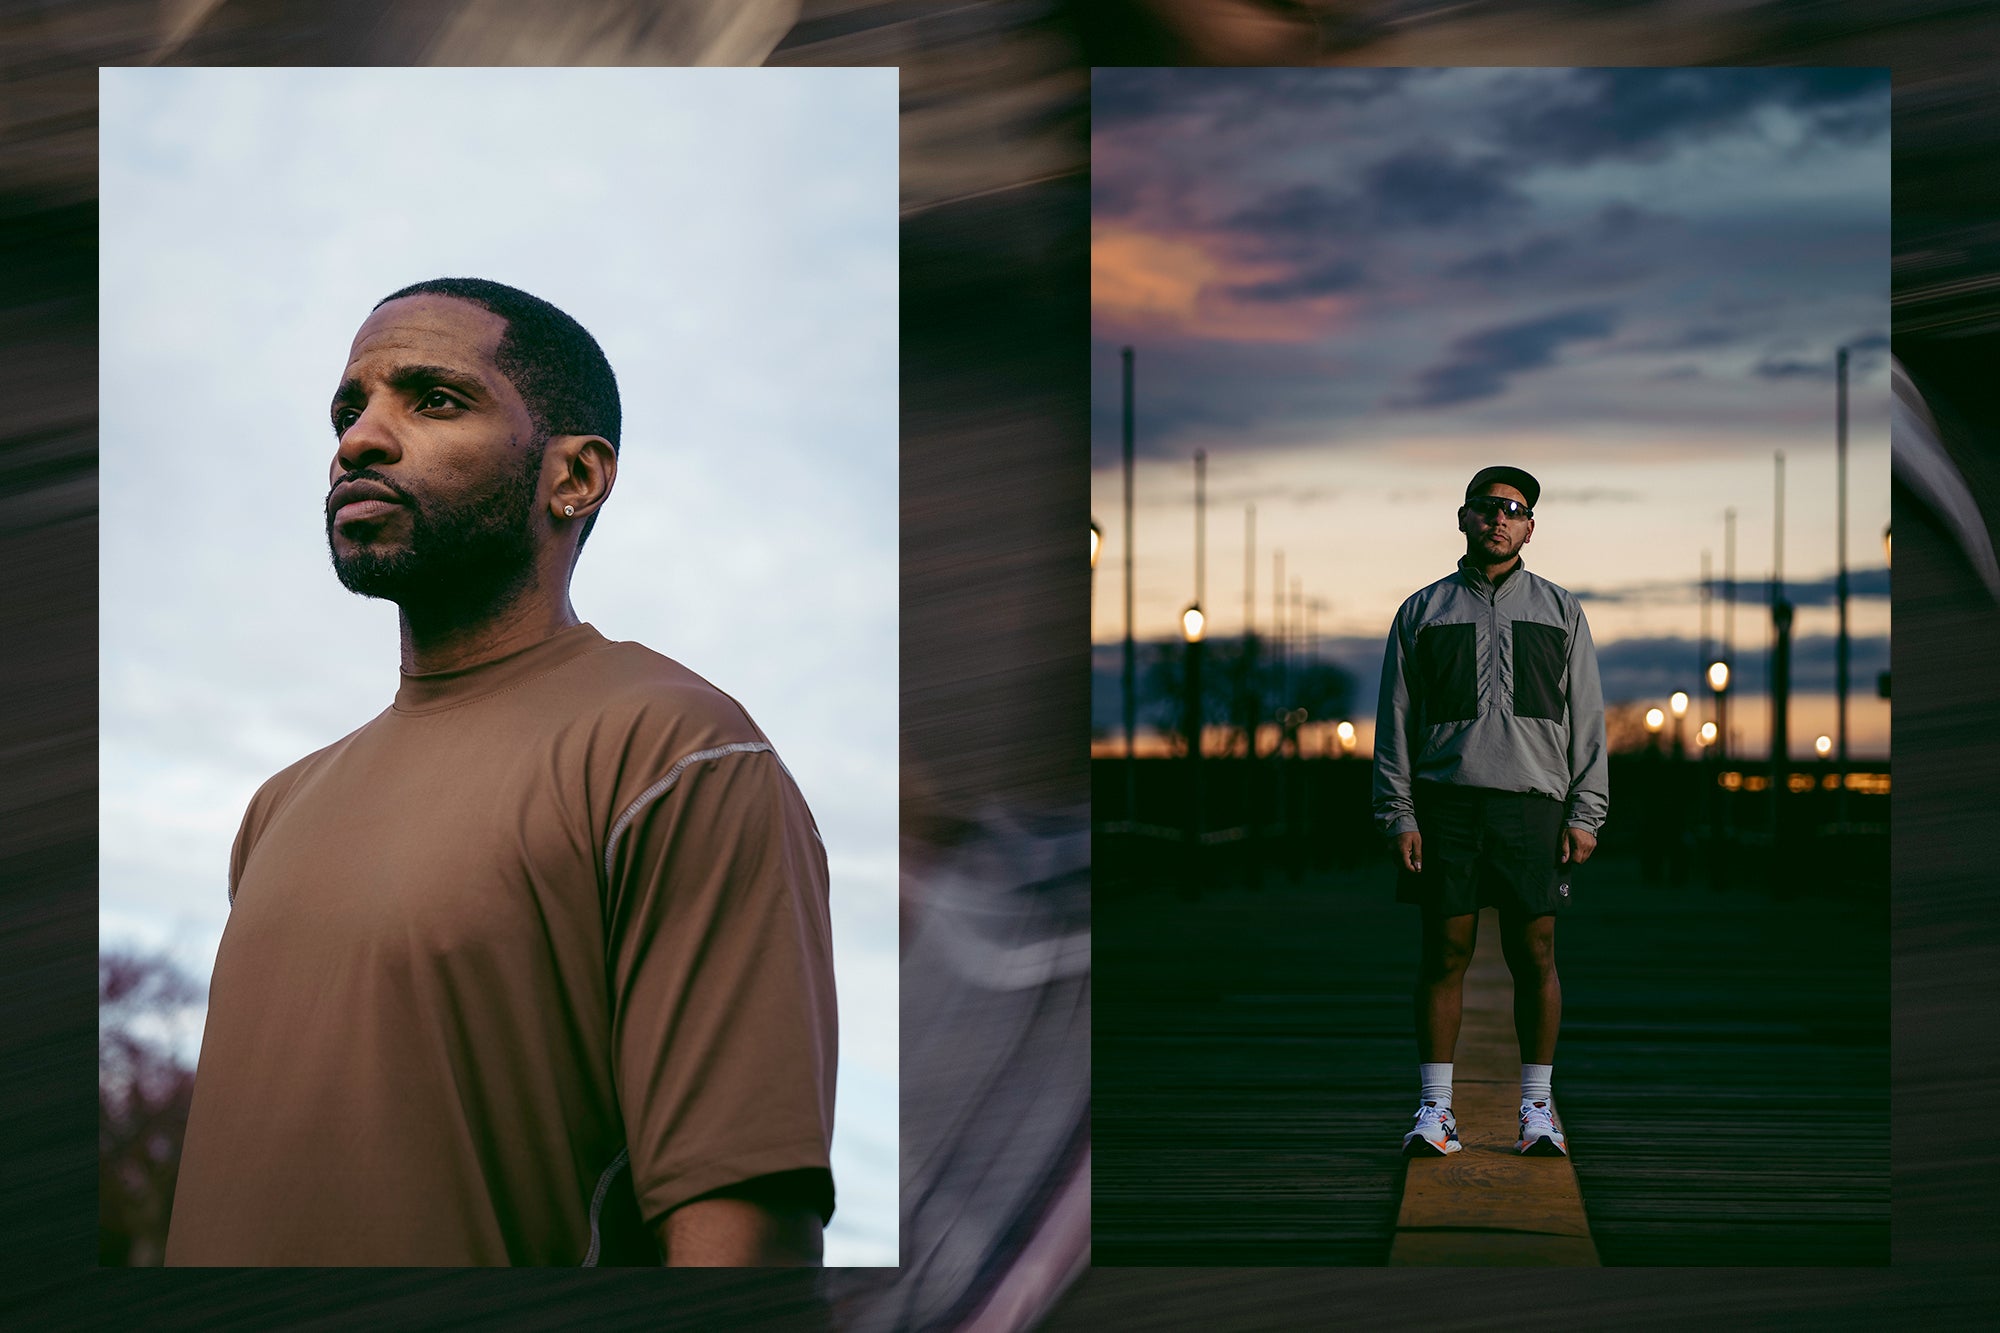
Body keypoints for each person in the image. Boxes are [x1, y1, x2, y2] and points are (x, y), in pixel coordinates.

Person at [165, 278, 837, 1266]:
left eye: (432, 399)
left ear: (574, 477)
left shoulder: (675, 752)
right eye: (351, 410)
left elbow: (740, 1233)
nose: (358, 440)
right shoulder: (278, 807)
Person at [1371, 465, 1608, 1159]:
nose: (1499, 519)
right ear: (1464, 518)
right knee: (1443, 953)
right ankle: (1436, 1113)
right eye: (1486, 507)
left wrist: (1586, 812)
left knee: (1535, 953)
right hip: (1446, 807)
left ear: (1530, 527)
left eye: (1513, 509)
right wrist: (1399, 812)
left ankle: (1538, 1110)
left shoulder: (1562, 611)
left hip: (1535, 806)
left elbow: (1587, 720)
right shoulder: (1422, 611)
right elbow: (1395, 721)